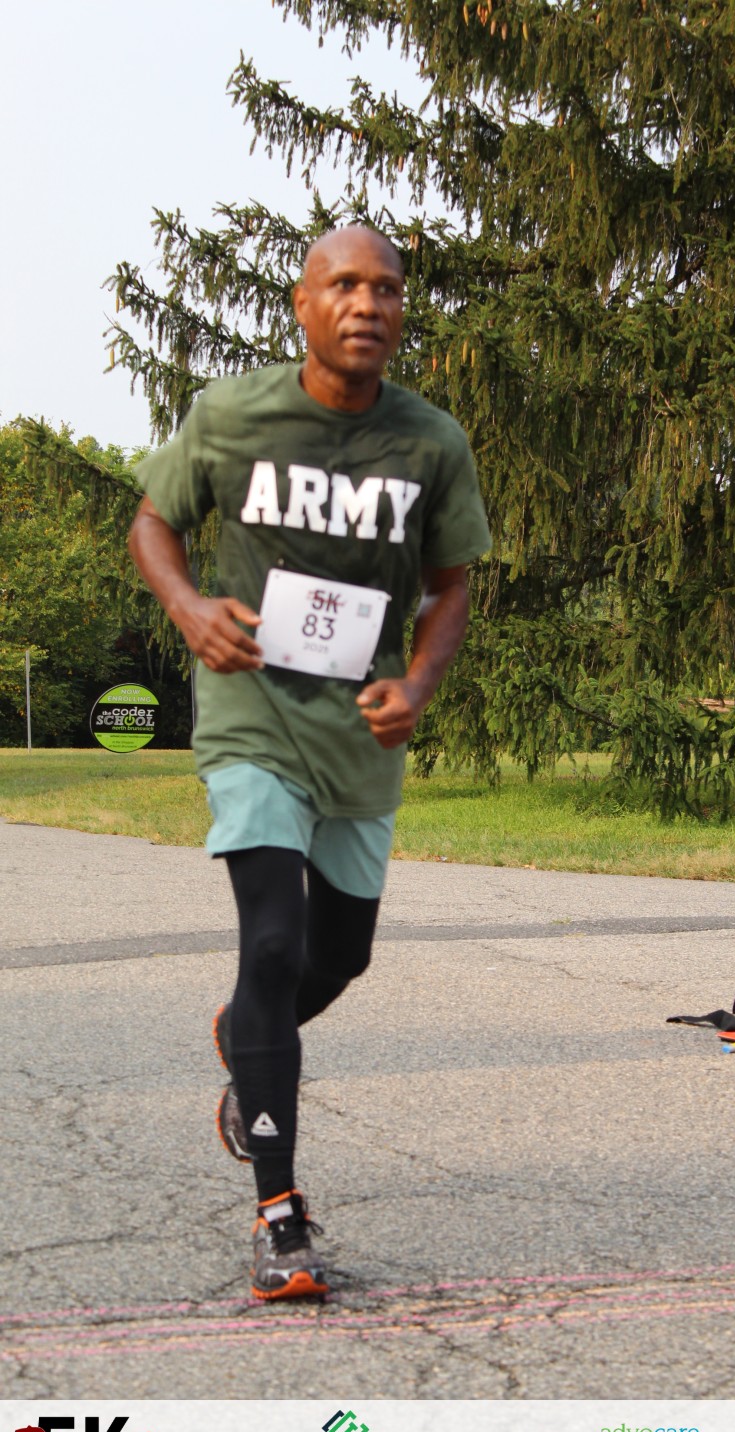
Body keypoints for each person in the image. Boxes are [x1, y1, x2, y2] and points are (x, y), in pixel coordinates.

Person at [128, 224, 492, 1300]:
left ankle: (245, 1038)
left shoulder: (430, 443)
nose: (367, 304)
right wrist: (189, 607)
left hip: (359, 727)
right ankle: (279, 1216)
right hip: (253, 714)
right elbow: (153, 522)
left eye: (387, 288)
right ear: (303, 303)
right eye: (344, 285)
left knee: (337, 960)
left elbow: (451, 585)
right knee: (275, 945)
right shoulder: (233, 415)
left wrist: (416, 686)